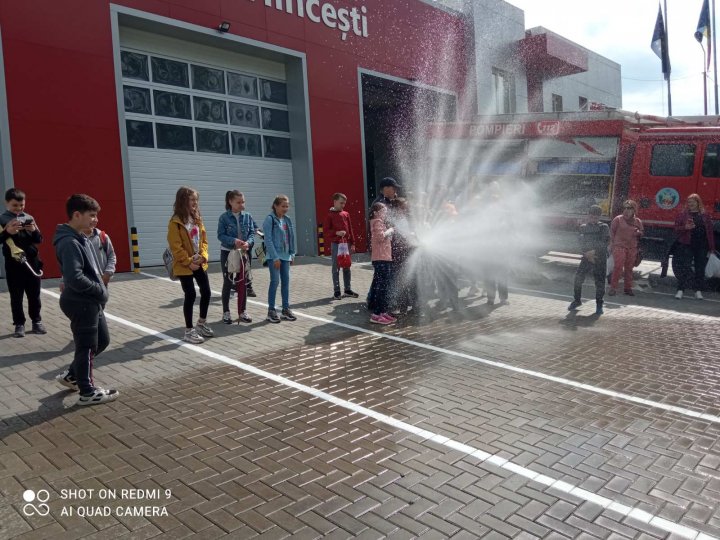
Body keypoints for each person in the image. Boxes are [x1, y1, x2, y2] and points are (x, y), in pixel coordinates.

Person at [53, 194, 118, 406]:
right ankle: (87, 391)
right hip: (82, 302)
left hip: (90, 301)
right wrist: (98, 291)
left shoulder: (80, 237)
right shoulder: (69, 241)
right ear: (76, 215)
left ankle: (72, 375)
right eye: (91, 216)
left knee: (102, 341)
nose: (95, 220)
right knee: (87, 346)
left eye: (96, 216)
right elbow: (74, 277)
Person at [167, 187, 213, 343]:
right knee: (191, 295)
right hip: (184, 265)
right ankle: (188, 331)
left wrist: (204, 256)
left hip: (199, 262)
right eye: (192, 199)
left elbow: (204, 241)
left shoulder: (197, 218)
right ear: (183, 201)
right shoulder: (175, 222)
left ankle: (201, 323)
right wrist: (188, 262)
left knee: (206, 292)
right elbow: (176, 247)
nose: (195, 202)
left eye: (196, 200)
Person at [0, 188, 46, 337]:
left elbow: (39, 240)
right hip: (14, 264)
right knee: (16, 296)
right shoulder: (2, 219)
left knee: (34, 295)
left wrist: (33, 230)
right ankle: (19, 324)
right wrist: (8, 232)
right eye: (15, 205)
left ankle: (36, 321)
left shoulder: (29, 217)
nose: (19, 209)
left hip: (32, 262)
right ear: (6, 203)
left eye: (22, 205)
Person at [217, 190, 253, 324]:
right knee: (228, 282)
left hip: (243, 253)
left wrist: (248, 243)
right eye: (238, 202)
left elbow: (251, 233)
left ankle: (242, 311)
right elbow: (220, 235)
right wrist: (234, 241)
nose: (241, 204)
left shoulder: (248, 216)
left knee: (243, 282)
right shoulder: (224, 217)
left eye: (243, 201)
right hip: (228, 253)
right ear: (230, 202)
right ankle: (226, 312)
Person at [673, 193, 716, 299]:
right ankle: (680, 290)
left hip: (702, 246)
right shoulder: (683, 215)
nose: (690, 204)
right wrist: (685, 227)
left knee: (699, 269)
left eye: (693, 202)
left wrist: (712, 247)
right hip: (687, 244)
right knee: (685, 268)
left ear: (698, 203)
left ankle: (698, 291)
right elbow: (676, 228)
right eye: (689, 202)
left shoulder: (705, 216)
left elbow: (709, 232)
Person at [568, 205, 609, 315]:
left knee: (599, 282)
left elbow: (604, 242)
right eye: (591, 216)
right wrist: (585, 253)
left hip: (599, 258)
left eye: (595, 217)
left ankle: (599, 305)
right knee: (578, 278)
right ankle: (577, 300)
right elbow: (580, 242)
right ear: (588, 216)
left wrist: (593, 252)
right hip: (586, 257)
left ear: (599, 217)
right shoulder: (583, 227)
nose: (593, 219)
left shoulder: (604, 227)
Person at [263, 195, 297, 323]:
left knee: (286, 283)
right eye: (283, 206)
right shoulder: (270, 219)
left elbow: (291, 237)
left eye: (287, 206)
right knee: (275, 281)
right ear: (275, 206)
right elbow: (268, 240)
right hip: (274, 257)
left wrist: (292, 253)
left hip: (286, 256)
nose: (285, 208)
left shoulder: (287, 219)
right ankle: (271, 310)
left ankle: (285, 309)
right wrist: (275, 257)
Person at [323, 192, 358, 300]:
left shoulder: (346, 214)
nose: (343, 205)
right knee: (336, 267)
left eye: (344, 203)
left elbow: (350, 229)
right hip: (336, 244)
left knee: (347, 265)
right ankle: (336, 291)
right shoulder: (330, 215)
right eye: (341, 203)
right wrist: (336, 233)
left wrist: (353, 243)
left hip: (346, 243)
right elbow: (326, 231)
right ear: (335, 202)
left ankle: (347, 289)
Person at [368, 202, 397, 325]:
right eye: (383, 211)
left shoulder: (381, 222)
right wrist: (390, 230)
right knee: (381, 287)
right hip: (380, 259)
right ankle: (376, 314)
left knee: (384, 287)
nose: (385, 214)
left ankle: (383, 311)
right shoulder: (377, 222)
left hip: (385, 258)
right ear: (376, 212)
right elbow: (380, 237)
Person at [609, 199, 643, 296]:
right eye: (625, 208)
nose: (626, 210)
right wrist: (611, 244)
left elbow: (641, 232)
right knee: (618, 267)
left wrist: (638, 233)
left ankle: (627, 288)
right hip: (619, 246)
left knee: (629, 268)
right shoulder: (618, 219)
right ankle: (613, 288)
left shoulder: (637, 221)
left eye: (629, 208)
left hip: (632, 247)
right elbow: (612, 232)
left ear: (634, 210)